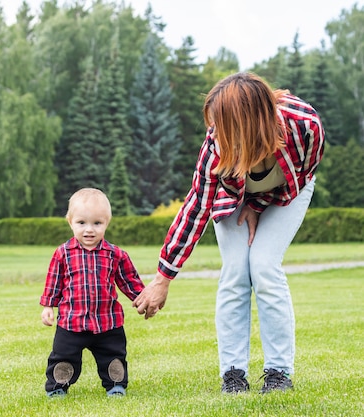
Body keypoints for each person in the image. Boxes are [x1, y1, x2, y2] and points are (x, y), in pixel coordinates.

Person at [132, 72, 325, 394]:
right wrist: (162, 279)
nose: (216, 133)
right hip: (233, 196)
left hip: (289, 192)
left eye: (225, 124)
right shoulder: (215, 146)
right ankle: (233, 374)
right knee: (236, 271)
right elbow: (195, 209)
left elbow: (302, 175)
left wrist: (260, 204)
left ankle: (279, 373)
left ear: (251, 121)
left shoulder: (305, 125)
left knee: (264, 265)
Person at [40, 188, 145, 398]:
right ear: (70, 222)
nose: (89, 230)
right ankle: (58, 386)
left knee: (113, 356)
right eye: (81, 223)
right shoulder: (63, 253)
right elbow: (54, 281)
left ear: (107, 222)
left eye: (97, 223)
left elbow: (129, 280)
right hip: (71, 322)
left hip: (108, 322)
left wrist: (142, 299)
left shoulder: (115, 254)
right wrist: (48, 306)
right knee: (63, 357)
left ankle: (115, 385)